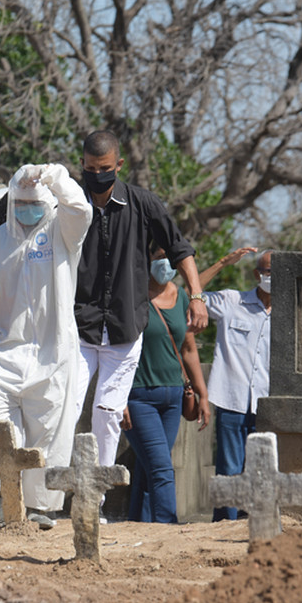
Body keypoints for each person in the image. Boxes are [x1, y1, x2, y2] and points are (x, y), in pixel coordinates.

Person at [73, 130, 209, 472]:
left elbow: (180, 249)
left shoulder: (141, 203)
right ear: (82, 165)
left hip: (125, 328)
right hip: (79, 328)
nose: (97, 175)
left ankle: (98, 494)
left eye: (104, 168)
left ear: (118, 165)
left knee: (106, 414)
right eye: (90, 168)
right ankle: (52, 496)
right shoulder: (71, 204)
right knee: (66, 406)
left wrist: (196, 296)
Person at [0, 164, 92, 520]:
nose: (26, 208)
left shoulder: (61, 232)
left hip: (52, 356)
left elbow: (81, 210)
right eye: (19, 202)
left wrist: (57, 177)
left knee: (46, 436)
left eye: (33, 201)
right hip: (3, 354)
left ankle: (40, 508)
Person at [120, 245, 211, 523]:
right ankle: (167, 525)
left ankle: (137, 526)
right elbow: (115, 351)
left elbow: (188, 349)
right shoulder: (131, 297)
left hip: (174, 398)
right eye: (159, 258)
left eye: (170, 259)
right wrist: (117, 398)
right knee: (161, 468)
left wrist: (203, 395)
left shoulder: (182, 297)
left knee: (150, 468)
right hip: (138, 397)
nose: (166, 264)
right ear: (145, 259)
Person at [198, 247, 271, 522]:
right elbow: (188, 295)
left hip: (266, 405)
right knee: (229, 470)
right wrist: (222, 263)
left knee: (261, 472)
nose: (270, 277)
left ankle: (251, 528)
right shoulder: (231, 301)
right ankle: (223, 528)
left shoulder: (290, 314)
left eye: (276, 272)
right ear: (256, 274)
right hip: (231, 400)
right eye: (266, 271)